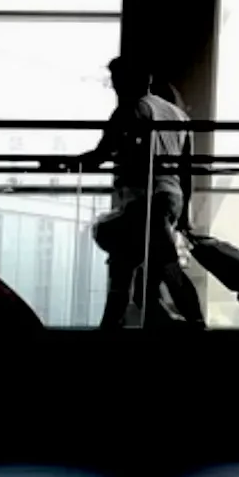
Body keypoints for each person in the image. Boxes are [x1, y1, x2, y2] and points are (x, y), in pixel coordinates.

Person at [74, 57, 206, 330]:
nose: (114, 87)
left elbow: (101, 154)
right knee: (133, 266)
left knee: (157, 267)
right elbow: (186, 172)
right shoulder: (178, 115)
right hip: (170, 198)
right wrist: (184, 216)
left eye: (116, 80)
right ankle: (116, 324)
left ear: (127, 80)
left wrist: (67, 164)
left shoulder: (129, 110)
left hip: (143, 201)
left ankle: (195, 324)